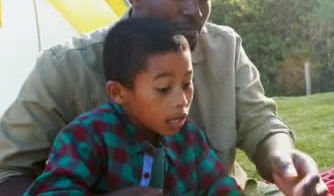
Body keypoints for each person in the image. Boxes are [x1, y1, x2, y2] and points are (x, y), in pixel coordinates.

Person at [0, 0, 327, 196]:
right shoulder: (65, 68)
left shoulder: (225, 47)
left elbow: (262, 124)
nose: (194, 11)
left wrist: (282, 160)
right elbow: (6, 173)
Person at [25, 17, 242, 195]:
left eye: (187, 84)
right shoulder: (86, 136)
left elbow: (219, 185)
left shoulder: (190, 140)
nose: (182, 100)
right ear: (118, 93)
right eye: (164, 88)